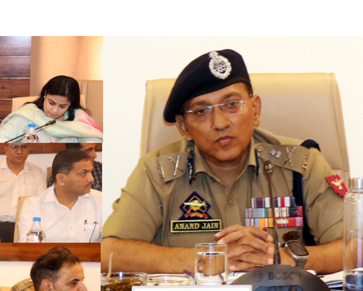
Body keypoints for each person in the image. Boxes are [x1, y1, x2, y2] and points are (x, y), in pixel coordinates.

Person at [102, 49, 344, 274]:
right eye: (201, 111)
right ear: (184, 127)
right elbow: (109, 252)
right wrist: (206, 259)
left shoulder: (301, 163)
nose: (220, 123)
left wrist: (284, 259)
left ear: (255, 110)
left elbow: (355, 246)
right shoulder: (157, 171)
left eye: (231, 105)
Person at [17, 149, 102, 243]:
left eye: (91, 172)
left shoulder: (101, 201)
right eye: (83, 174)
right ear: (61, 179)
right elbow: (28, 246)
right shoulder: (33, 206)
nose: (91, 179)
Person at [0, 75, 103, 143]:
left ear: (71, 104)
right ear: (45, 94)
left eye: (62, 106)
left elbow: (96, 140)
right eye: (51, 103)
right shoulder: (29, 114)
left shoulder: (79, 117)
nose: (54, 110)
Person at [0, 142, 46, 242]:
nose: (19, 151)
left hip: (26, 227)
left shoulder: (37, 173)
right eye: (14, 147)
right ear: (6, 149)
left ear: (28, 149)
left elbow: (41, 207)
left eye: (23, 147)